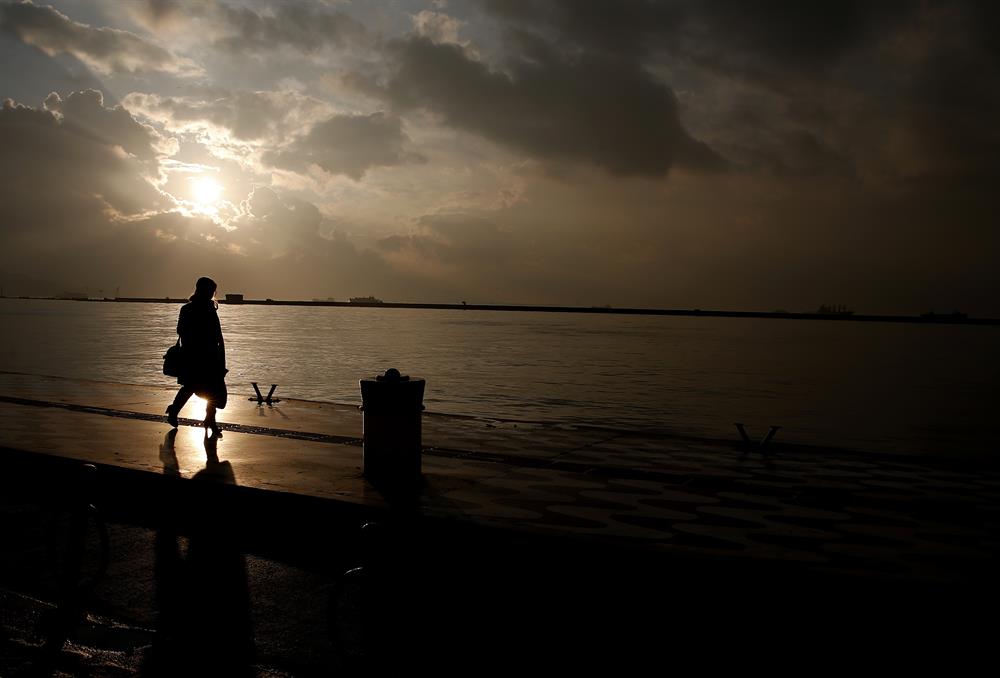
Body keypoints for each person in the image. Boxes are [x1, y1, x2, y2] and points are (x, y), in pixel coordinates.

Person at [165, 277, 228, 436]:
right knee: (202, 388)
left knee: (194, 387)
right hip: (204, 356)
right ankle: (204, 420)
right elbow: (217, 336)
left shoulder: (188, 309)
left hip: (195, 355)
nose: (212, 294)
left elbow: (180, 331)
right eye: (211, 291)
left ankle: (204, 419)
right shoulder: (206, 310)